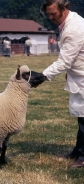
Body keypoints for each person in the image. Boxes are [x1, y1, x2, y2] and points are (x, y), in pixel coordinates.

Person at [40, 0, 84, 168]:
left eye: (54, 14)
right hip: (80, 75)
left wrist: (42, 76)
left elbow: (64, 61)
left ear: (64, 9)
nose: (51, 17)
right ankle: (77, 151)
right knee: (82, 116)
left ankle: (83, 156)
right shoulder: (70, 23)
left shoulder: (74, 28)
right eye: (48, 14)